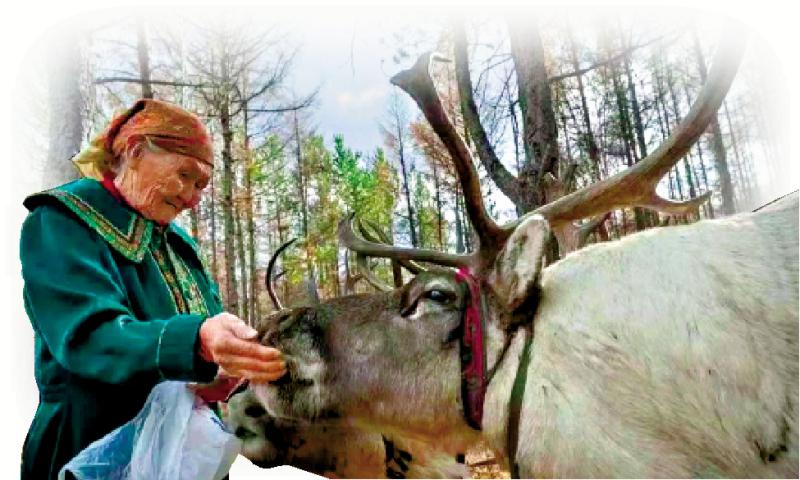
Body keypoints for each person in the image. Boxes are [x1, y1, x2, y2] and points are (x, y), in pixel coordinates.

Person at [19, 98, 286, 479]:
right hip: (88, 452)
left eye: (201, 186)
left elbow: (201, 350)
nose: (193, 199)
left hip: (180, 455)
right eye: (185, 176)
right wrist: (196, 342)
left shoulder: (178, 247)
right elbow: (88, 337)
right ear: (135, 150)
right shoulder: (61, 223)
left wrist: (221, 373)